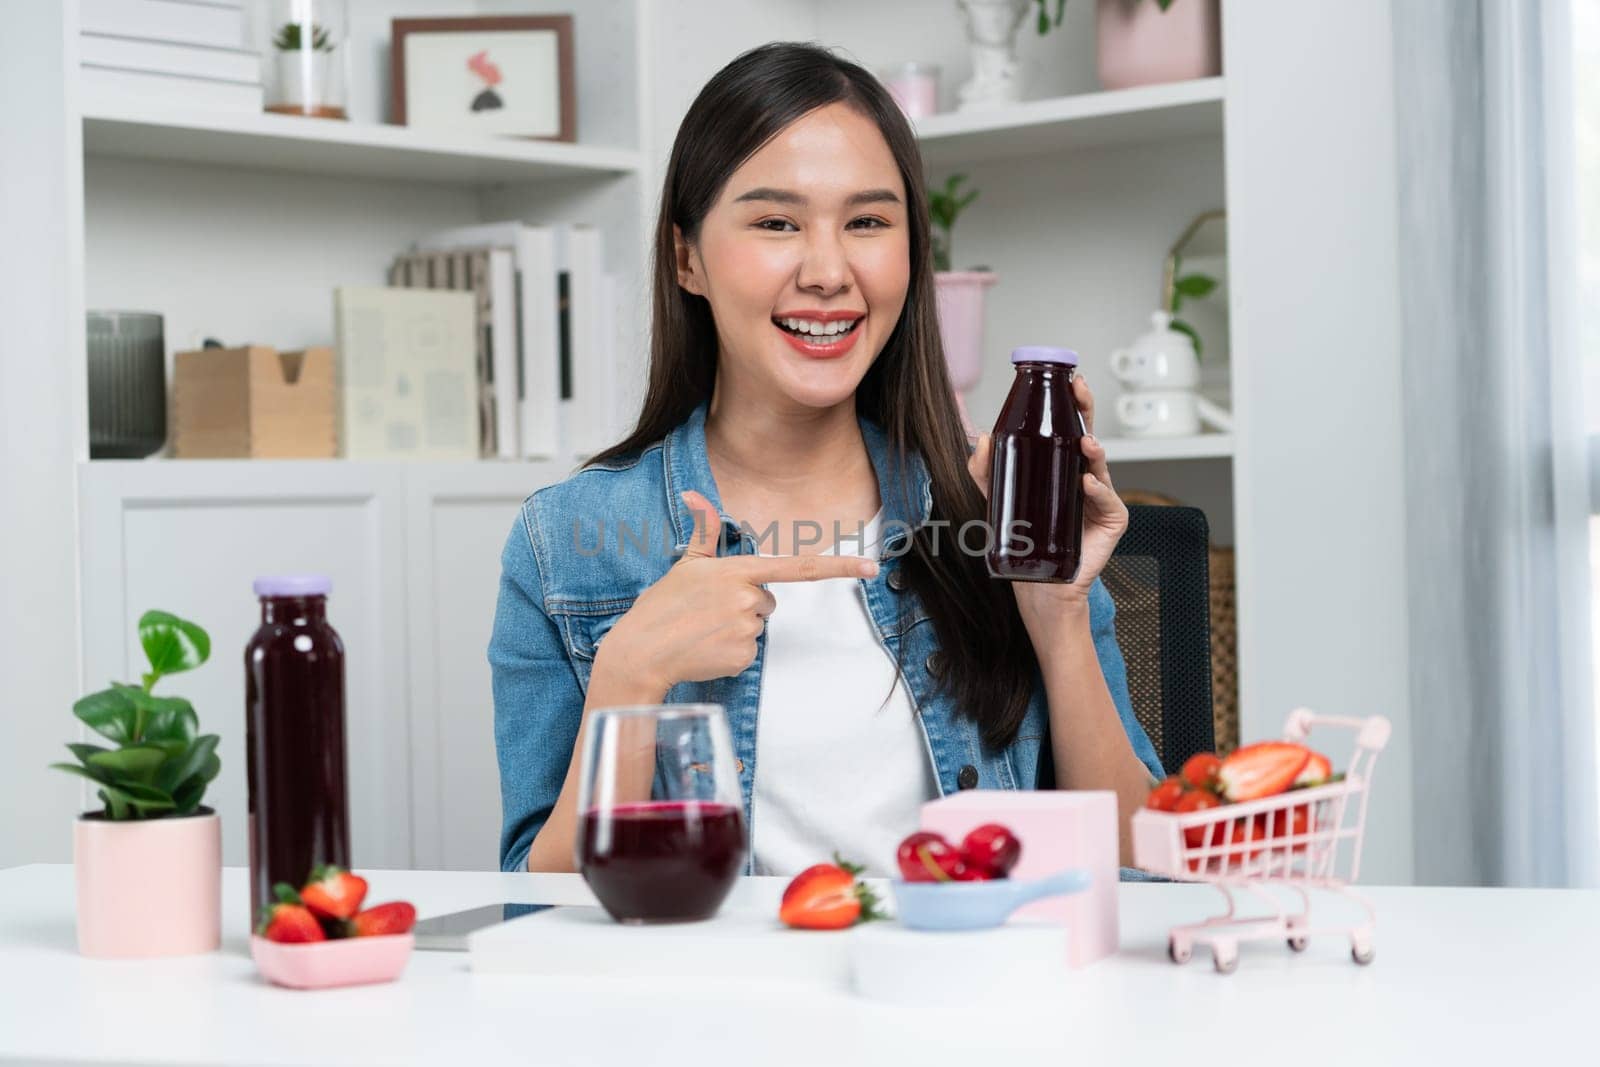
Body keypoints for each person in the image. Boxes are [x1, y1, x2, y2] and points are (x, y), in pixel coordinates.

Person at [489, 41, 1163, 879]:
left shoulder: (994, 509)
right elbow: (535, 908)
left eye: (868, 223)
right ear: (686, 257)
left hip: (967, 997)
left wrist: (1055, 612)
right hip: (709, 1007)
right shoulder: (568, 540)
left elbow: (1144, 873)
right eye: (776, 222)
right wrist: (630, 675)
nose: (828, 271)